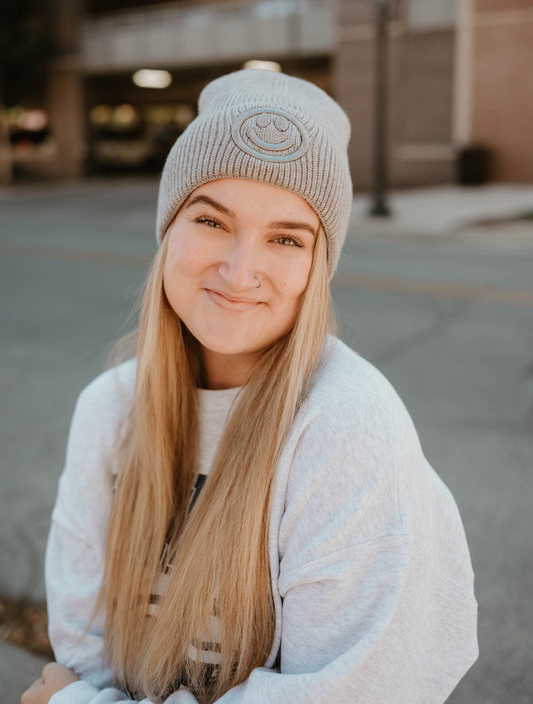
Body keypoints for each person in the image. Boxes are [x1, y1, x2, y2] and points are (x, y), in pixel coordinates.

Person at [22, 69, 478, 704]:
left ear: (318, 267)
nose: (240, 271)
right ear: (167, 230)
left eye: (287, 238)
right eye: (210, 222)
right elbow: (85, 647)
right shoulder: (108, 409)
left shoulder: (348, 424)